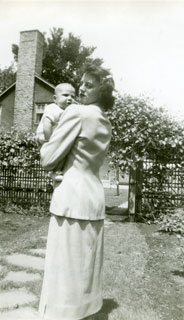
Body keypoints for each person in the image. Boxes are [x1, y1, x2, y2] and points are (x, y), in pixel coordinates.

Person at [38, 63, 115, 320]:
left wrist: (44, 141)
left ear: (100, 92)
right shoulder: (105, 121)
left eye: (89, 85)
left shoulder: (77, 112)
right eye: (82, 83)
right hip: (93, 198)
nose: (81, 88)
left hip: (71, 199)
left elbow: (49, 158)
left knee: (63, 276)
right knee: (84, 273)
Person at [36, 83, 76, 182]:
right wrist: (51, 141)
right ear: (55, 99)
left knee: (62, 153)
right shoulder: (52, 108)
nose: (70, 98)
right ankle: (54, 171)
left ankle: (57, 171)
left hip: (56, 137)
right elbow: (47, 124)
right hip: (45, 137)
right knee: (52, 154)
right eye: (66, 95)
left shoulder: (69, 110)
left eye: (73, 96)